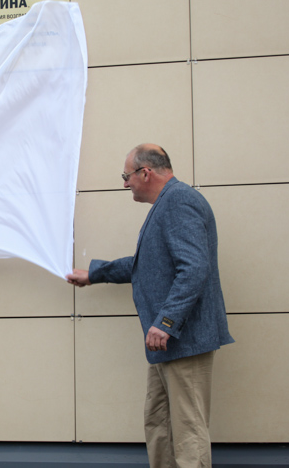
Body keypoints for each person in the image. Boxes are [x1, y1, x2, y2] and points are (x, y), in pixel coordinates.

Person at [68, 143, 233, 468]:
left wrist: (166, 321)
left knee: (187, 430)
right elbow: (146, 265)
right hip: (168, 344)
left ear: (145, 173)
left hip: (183, 340)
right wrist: (94, 274)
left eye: (126, 176)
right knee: (159, 423)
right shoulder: (167, 203)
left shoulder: (179, 201)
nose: (124, 183)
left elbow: (194, 268)